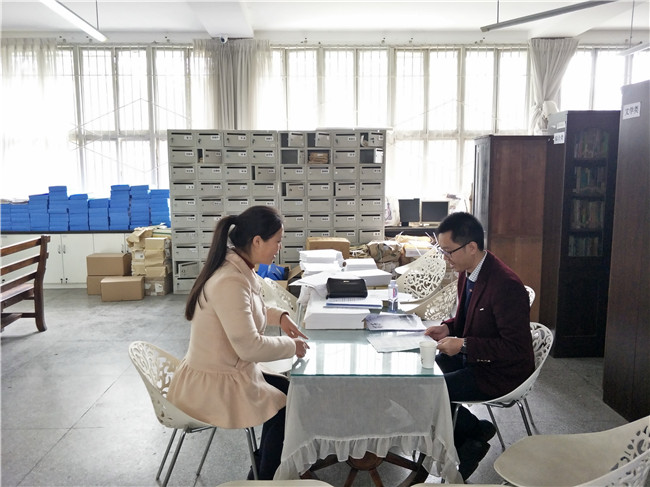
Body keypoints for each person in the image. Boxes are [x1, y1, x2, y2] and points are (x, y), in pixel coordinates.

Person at [167, 205, 309, 480]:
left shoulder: (238, 267)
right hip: (214, 385)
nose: (279, 248)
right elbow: (250, 347)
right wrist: (292, 346)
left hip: (229, 371)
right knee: (288, 406)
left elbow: (251, 309)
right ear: (257, 241)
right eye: (277, 241)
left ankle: (264, 469)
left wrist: (280, 317)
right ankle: (264, 478)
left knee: (290, 395)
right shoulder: (229, 280)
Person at [424, 212, 534, 481]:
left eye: (449, 251)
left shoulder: (506, 285)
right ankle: (474, 430)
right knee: (420, 375)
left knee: (432, 390)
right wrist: (448, 328)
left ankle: (468, 442)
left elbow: (516, 349)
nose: (445, 258)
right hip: (475, 357)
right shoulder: (469, 272)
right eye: (442, 250)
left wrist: (464, 345)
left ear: (471, 247)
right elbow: (470, 319)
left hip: (500, 372)